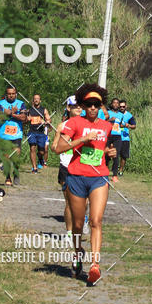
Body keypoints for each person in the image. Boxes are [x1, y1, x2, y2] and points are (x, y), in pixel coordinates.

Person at [54, 83, 117, 285]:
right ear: (82, 105)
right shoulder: (74, 123)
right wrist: (82, 139)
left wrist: (109, 152)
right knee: (78, 224)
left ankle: (95, 265)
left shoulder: (106, 126)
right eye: (89, 104)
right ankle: (78, 252)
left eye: (96, 104)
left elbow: (102, 148)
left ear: (101, 106)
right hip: (76, 176)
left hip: (99, 177)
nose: (92, 108)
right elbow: (59, 148)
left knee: (96, 221)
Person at [51, 96, 84, 239]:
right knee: (70, 202)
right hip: (66, 166)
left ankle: (81, 223)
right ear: (68, 108)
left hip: (82, 165)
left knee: (84, 202)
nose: (78, 108)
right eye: (75, 106)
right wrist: (62, 143)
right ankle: (70, 233)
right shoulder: (62, 126)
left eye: (80, 106)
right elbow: (54, 147)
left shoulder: (86, 124)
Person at [0, 85, 28, 187]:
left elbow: (23, 117)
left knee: (16, 155)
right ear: (6, 94)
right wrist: (11, 113)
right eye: (9, 94)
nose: (11, 95)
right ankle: (8, 178)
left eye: (13, 94)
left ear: (16, 94)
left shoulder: (21, 104)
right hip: (3, 134)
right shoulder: (0, 104)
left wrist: (11, 114)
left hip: (16, 134)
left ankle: (16, 173)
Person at [27, 93, 51, 173]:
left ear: (40, 100)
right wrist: (27, 119)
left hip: (41, 133)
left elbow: (49, 119)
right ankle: (34, 168)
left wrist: (46, 121)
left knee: (42, 151)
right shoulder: (29, 110)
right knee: (32, 148)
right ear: (33, 100)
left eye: (38, 99)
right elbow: (24, 120)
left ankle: (40, 158)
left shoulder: (44, 110)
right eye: (35, 99)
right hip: (32, 132)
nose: (36, 100)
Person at [106, 98, 125, 183]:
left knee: (116, 155)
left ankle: (114, 175)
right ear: (111, 104)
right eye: (114, 103)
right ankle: (105, 172)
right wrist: (110, 120)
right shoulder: (108, 113)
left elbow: (120, 124)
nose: (116, 104)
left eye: (117, 103)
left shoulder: (121, 114)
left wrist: (124, 125)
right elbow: (102, 121)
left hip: (117, 136)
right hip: (108, 135)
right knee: (106, 154)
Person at [118, 99, 136, 176]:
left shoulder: (129, 116)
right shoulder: (116, 113)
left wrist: (127, 125)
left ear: (126, 106)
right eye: (120, 106)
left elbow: (134, 126)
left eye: (123, 106)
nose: (122, 108)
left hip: (125, 138)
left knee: (123, 156)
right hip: (115, 136)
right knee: (113, 154)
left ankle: (120, 170)